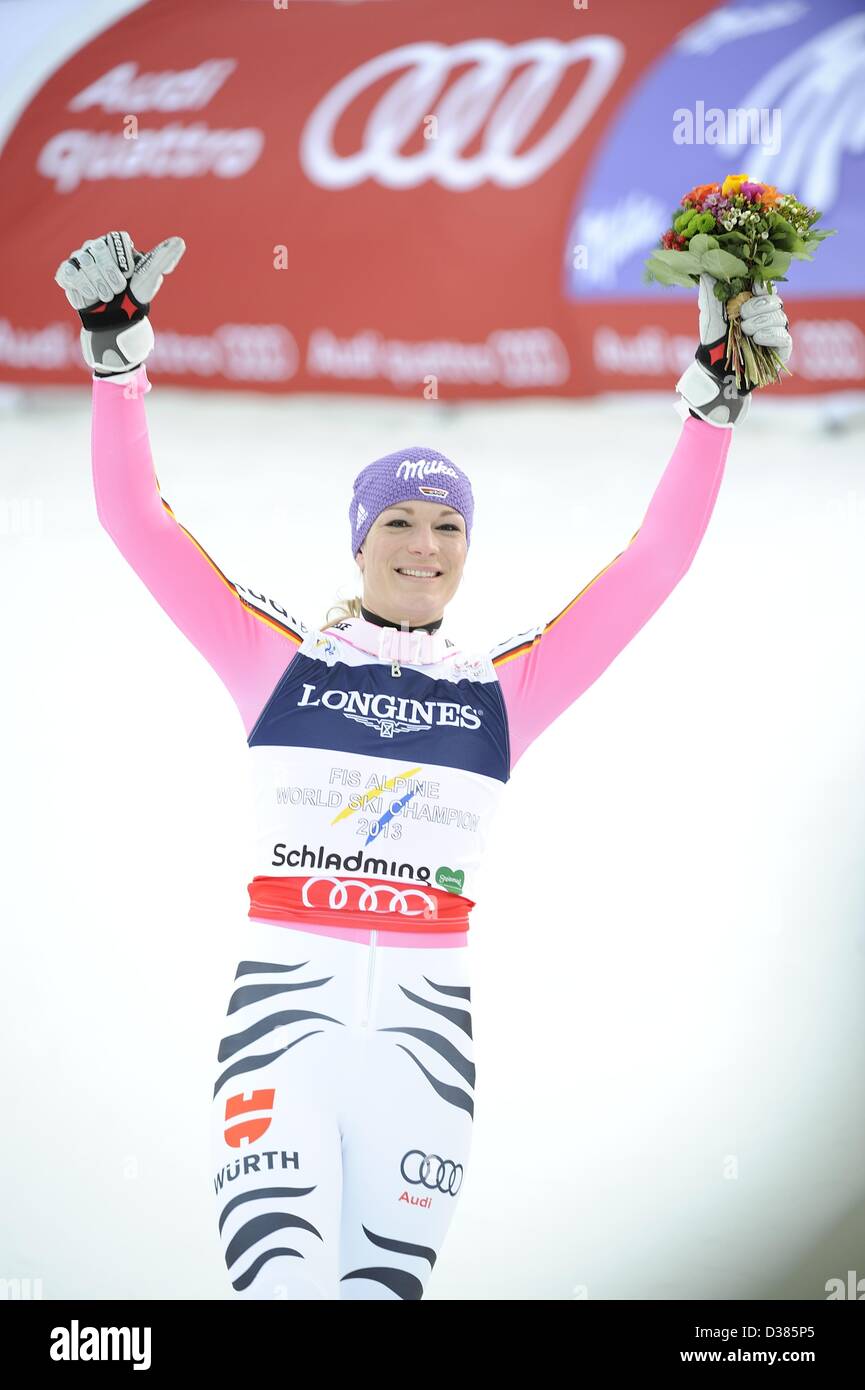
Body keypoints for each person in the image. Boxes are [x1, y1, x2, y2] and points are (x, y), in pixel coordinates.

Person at [55, 231, 792, 1301]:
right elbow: (136, 522)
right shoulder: (275, 662)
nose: (423, 543)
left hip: (424, 1054)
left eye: (447, 525)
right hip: (281, 1039)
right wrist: (117, 361)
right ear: (358, 541)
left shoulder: (501, 693)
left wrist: (710, 409)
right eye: (397, 520)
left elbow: (653, 565)